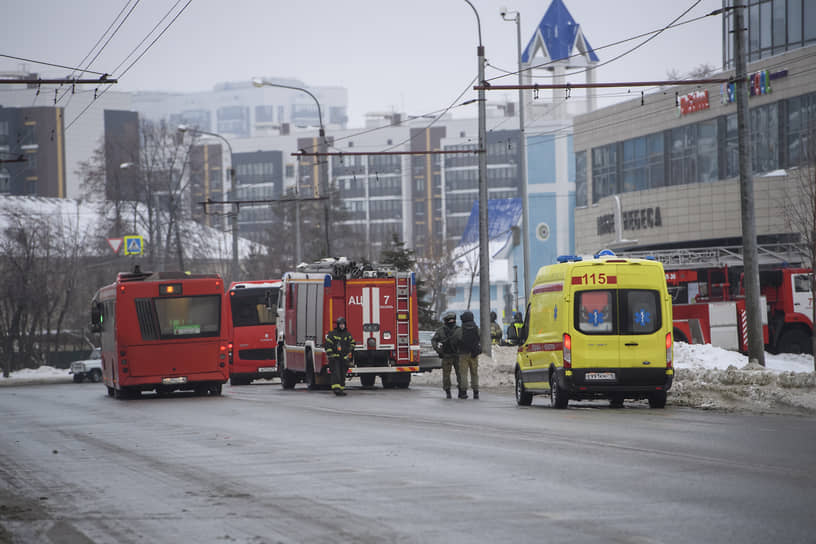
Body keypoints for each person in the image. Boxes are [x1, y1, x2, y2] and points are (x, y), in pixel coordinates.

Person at [431, 312, 462, 399]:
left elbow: (434, 341)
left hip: (449, 355)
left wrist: (439, 350)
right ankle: (460, 391)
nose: (452, 321)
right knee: (459, 373)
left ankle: (449, 391)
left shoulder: (441, 330)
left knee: (447, 374)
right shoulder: (458, 329)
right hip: (454, 355)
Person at [324, 316, 355, 396]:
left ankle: (341, 389)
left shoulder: (347, 334)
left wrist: (350, 349)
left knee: (342, 374)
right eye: (340, 324)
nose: (342, 326)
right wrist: (331, 354)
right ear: (338, 325)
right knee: (336, 374)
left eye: (343, 324)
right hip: (335, 358)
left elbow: (352, 342)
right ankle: (336, 389)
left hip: (344, 358)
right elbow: (327, 345)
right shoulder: (333, 334)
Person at [454, 310, 481, 399]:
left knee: (463, 373)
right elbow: (480, 338)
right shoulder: (477, 328)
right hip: (474, 354)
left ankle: (464, 392)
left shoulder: (460, 330)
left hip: (463, 354)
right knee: (474, 373)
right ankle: (476, 392)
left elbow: (455, 340)